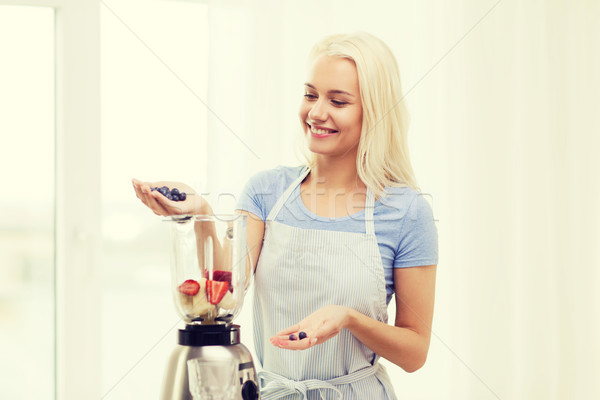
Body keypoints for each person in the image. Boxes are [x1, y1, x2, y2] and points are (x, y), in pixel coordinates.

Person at [133, 31, 437, 400]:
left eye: (337, 101)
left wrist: (349, 319)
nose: (316, 112)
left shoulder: (406, 212)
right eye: (310, 95)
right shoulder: (267, 191)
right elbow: (227, 291)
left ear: (374, 112)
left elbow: (414, 352)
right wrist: (201, 213)